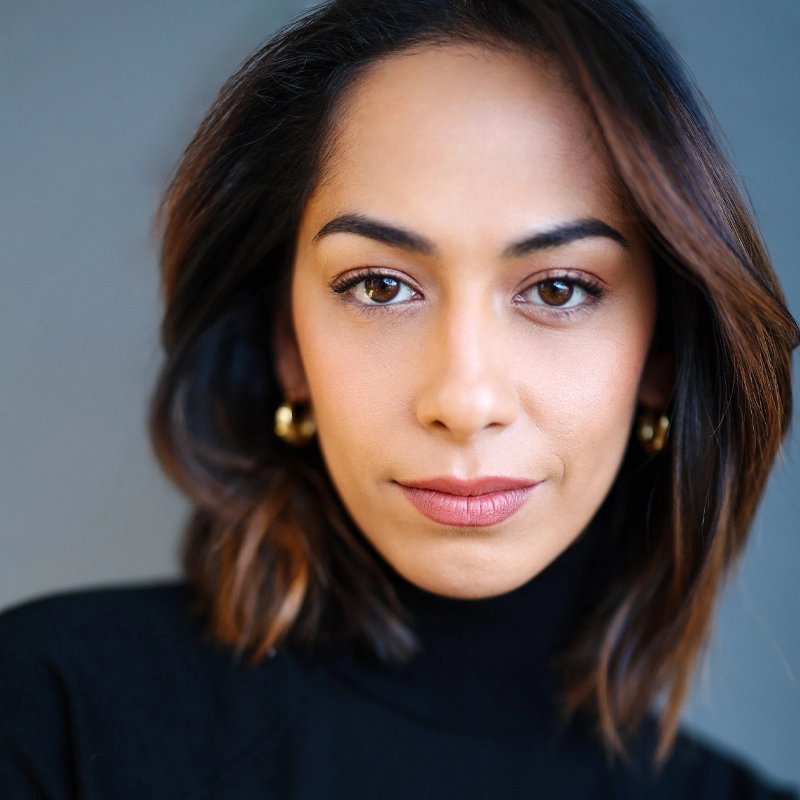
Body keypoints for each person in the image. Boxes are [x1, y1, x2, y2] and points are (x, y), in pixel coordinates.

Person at [1, 0, 798, 796]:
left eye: (559, 289)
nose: (465, 400)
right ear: (287, 343)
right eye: (379, 287)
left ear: (661, 352)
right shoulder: (52, 715)